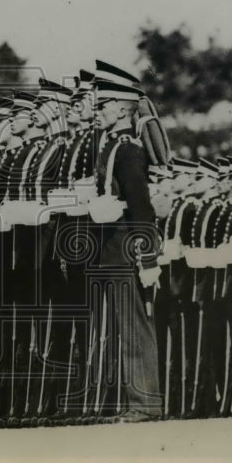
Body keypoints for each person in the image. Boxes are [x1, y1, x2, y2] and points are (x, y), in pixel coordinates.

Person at [89, 72, 163, 422]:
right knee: (123, 327)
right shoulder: (113, 147)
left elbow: (141, 208)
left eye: (102, 105)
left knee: (134, 327)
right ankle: (135, 400)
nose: (97, 111)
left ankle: (145, 402)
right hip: (110, 250)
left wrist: (148, 258)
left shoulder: (129, 151)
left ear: (121, 109)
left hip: (125, 250)